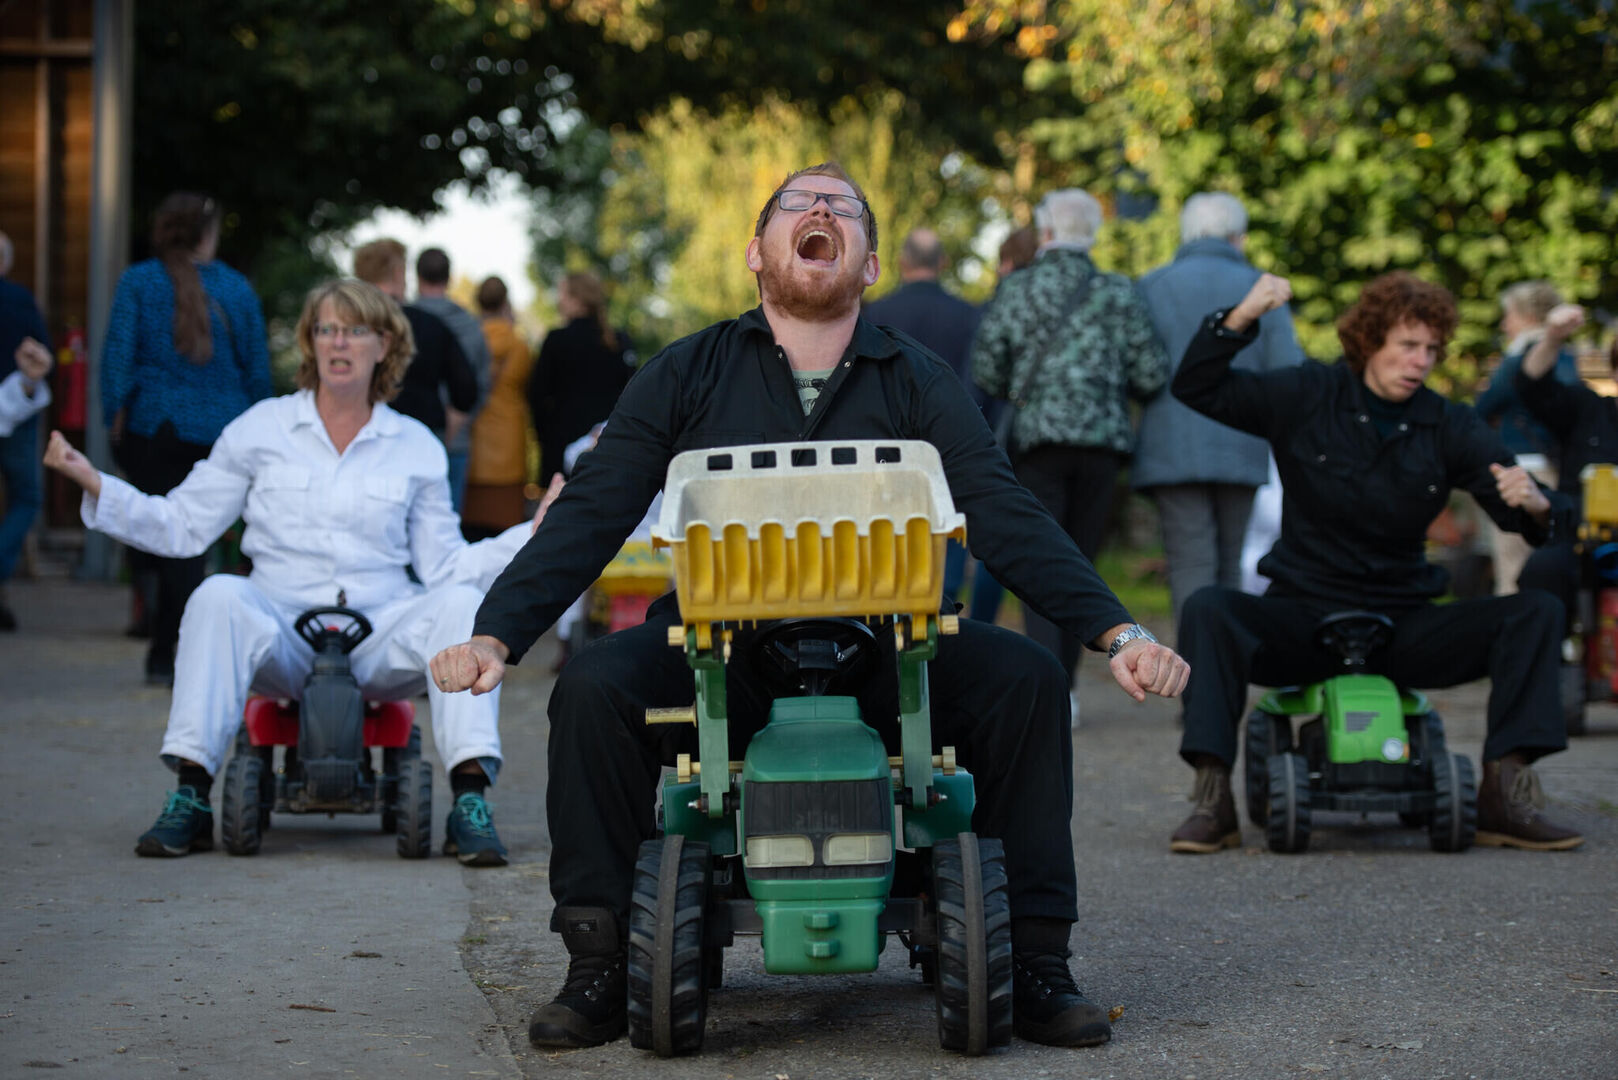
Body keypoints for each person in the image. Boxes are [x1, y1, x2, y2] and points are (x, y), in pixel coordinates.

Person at [430, 162, 1190, 1052]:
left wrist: (1120, 630)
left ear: (869, 264)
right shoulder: (687, 371)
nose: (821, 209)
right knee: (595, 685)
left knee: (1024, 676)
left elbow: (1003, 509)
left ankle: (1033, 962)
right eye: (798, 203)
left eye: (843, 207)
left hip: (890, 651)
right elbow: (596, 506)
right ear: (758, 251)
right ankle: (598, 962)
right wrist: (497, 630)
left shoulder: (919, 378)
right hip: (725, 654)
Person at [45, 279, 547, 866]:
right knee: (218, 595)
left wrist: (536, 534)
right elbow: (183, 523)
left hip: (377, 637)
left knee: (461, 601)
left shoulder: (415, 445)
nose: (339, 343)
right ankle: (191, 794)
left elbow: (445, 564)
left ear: (384, 345)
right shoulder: (261, 428)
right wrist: (96, 483)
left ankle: (469, 802)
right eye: (326, 329)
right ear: (311, 343)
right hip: (283, 633)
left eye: (355, 330)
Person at [1167, 270, 1583, 855]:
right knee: (1210, 607)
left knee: (1535, 610)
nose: (1421, 361)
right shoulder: (1307, 394)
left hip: (1402, 624)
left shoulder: (1448, 423)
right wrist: (1241, 315)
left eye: (1432, 349)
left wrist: (1538, 502)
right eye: (1408, 345)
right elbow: (1196, 387)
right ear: (1369, 341)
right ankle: (1213, 796)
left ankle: (1503, 790)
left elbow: (1528, 514)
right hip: (1302, 617)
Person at [972, 188, 1169, 685]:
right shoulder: (1119, 291)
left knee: (1044, 562)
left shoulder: (1019, 289)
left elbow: (985, 368)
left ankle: (1052, 685)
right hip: (1103, 446)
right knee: (1082, 565)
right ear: (1094, 235)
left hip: (1037, 445)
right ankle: (1069, 684)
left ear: (1046, 234)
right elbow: (1151, 373)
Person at [101, 193, 274, 684]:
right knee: (202, 547)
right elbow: (257, 369)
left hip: (155, 428)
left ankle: (164, 650)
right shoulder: (237, 289)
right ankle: (187, 649)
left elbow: (117, 358)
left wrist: (114, 416)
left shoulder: (138, 282)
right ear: (205, 234)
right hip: (225, 432)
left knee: (171, 540)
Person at [1134, 193, 1303, 634]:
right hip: (1242, 443)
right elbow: (1287, 370)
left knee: (1189, 564)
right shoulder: (1262, 286)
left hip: (1171, 446)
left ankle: (1195, 683)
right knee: (1231, 567)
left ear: (1186, 233)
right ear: (1238, 237)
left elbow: (1137, 371)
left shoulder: (1151, 285)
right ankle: (1225, 681)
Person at [863, 227, 985, 605]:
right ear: (943, 263)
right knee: (949, 536)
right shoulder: (969, 316)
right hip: (950, 443)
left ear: (901, 262)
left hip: (886, 446)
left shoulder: (874, 313)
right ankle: (943, 610)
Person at [1475, 281, 1581, 594]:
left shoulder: (1519, 358)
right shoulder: (1566, 358)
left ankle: (1516, 636)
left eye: (1510, 315)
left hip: (1520, 469)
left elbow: (1483, 408)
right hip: (1555, 467)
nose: (1505, 323)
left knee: (1513, 569)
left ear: (1530, 316)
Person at [1514, 303, 1607, 636]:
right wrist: (1553, 338)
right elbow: (1531, 384)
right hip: (1581, 537)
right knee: (1542, 572)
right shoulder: (1588, 408)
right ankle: (1551, 667)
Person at [352, 239, 478, 458]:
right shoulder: (428, 324)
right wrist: (443, 435)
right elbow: (466, 388)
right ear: (398, 272)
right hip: (424, 432)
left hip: (361, 437)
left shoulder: (345, 327)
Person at [526, 271, 634, 483]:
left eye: (563, 295)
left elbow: (536, 395)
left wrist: (545, 439)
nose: (559, 301)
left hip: (562, 448)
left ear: (577, 300)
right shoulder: (619, 342)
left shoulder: (557, 340)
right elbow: (633, 394)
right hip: (608, 448)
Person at [415, 247, 494, 513]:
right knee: (448, 524)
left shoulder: (403, 322)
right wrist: (460, 421)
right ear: (448, 278)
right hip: (457, 439)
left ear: (417, 276)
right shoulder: (471, 325)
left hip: (410, 435)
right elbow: (482, 383)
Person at [0, 230, 51, 631]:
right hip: (14, 410)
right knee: (27, 497)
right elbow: (42, 357)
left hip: (15, 408)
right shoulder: (17, 299)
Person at [463, 275, 536, 539]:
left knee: (471, 533)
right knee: (508, 536)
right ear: (505, 301)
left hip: (474, 447)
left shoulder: (468, 342)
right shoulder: (519, 346)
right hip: (510, 448)